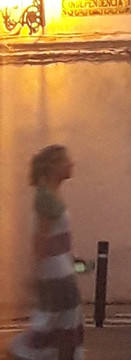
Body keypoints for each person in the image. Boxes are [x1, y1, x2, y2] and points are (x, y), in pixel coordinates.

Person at [7, 145, 84, 360]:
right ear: (53, 166)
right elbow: (40, 238)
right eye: (65, 160)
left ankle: (30, 351)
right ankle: (24, 351)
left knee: (60, 324)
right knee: (64, 325)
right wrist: (36, 272)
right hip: (56, 273)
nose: (71, 164)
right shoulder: (45, 198)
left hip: (59, 269)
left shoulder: (50, 195)